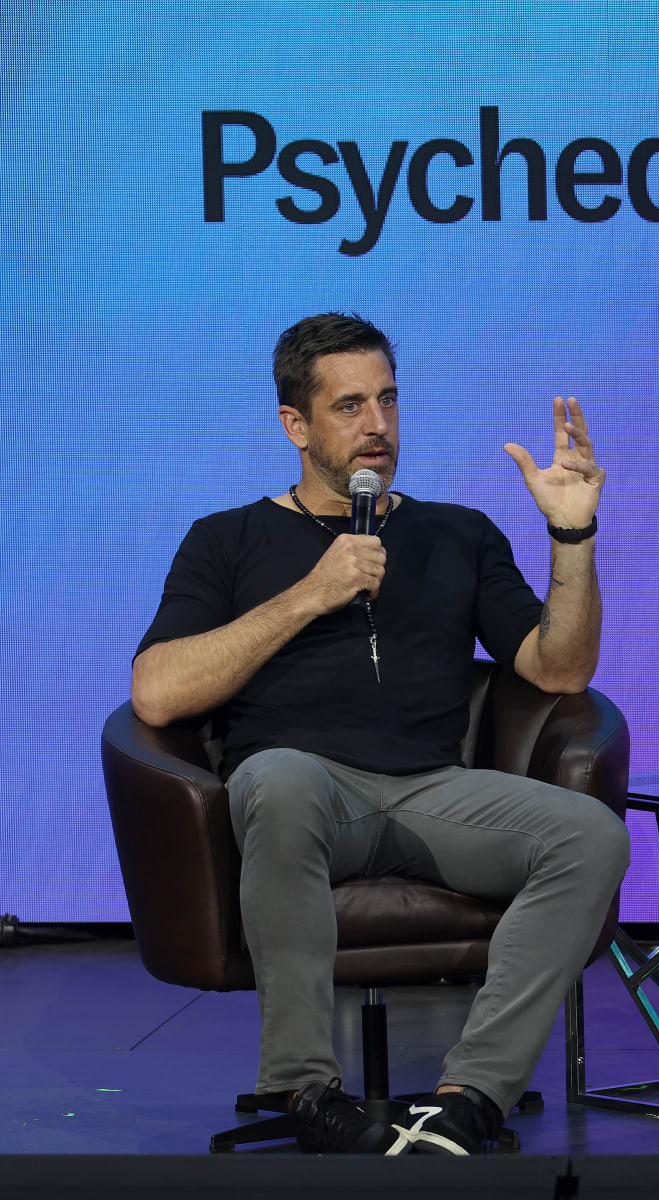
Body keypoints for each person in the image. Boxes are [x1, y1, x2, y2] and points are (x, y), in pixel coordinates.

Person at [130, 313, 629, 1155]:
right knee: (281, 779)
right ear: (296, 424)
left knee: (591, 837)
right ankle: (303, 1084)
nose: (378, 426)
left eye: (389, 401)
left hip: (433, 791)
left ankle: (471, 1095)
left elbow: (560, 669)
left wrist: (571, 534)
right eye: (350, 405)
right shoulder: (227, 539)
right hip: (302, 790)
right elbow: (154, 692)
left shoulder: (456, 533)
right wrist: (309, 595)